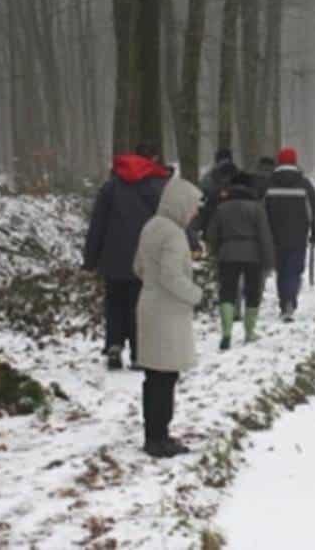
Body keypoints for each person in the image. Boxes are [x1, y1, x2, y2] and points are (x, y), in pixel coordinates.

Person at [133, 177, 204, 459]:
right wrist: (194, 294)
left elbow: (138, 266)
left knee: (154, 377)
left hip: (149, 305)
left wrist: (152, 285)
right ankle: (159, 439)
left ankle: (154, 434)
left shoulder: (151, 226)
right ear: (180, 204)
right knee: (166, 377)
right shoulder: (173, 234)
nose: (195, 212)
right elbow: (171, 276)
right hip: (167, 313)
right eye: (193, 206)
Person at [83, 142, 170, 370]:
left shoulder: (110, 188)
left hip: (113, 258)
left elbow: (97, 225)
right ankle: (139, 354)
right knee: (139, 305)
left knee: (114, 303)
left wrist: (90, 259)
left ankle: (114, 344)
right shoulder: (156, 188)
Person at [212, 172, 275, 350]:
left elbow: (212, 234)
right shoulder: (256, 208)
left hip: (227, 254)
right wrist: (269, 260)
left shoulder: (221, 208)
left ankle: (226, 332)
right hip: (252, 255)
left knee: (227, 292)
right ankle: (249, 331)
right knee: (252, 292)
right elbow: (265, 235)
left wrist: (218, 251)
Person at [265, 147, 315, 322]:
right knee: (295, 269)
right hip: (298, 235)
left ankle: (284, 302)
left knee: (281, 270)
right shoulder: (304, 184)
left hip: (274, 236)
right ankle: (290, 300)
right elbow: (313, 210)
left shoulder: (270, 184)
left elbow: (263, 211)